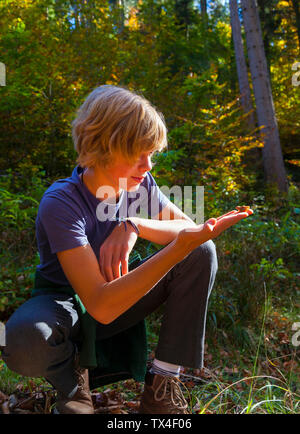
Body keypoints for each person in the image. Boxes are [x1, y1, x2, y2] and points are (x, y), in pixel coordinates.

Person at [1, 85, 253, 414]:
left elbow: (191, 230)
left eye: (151, 153)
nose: (148, 164)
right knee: (23, 338)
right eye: (138, 152)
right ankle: (75, 390)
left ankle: (163, 386)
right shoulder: (61, 202)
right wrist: (175, 245)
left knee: (201, 251)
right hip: (64, 304)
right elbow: (101, 305)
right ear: (103, 144)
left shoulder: (139, 184)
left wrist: (134, 224)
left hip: (121, 294)